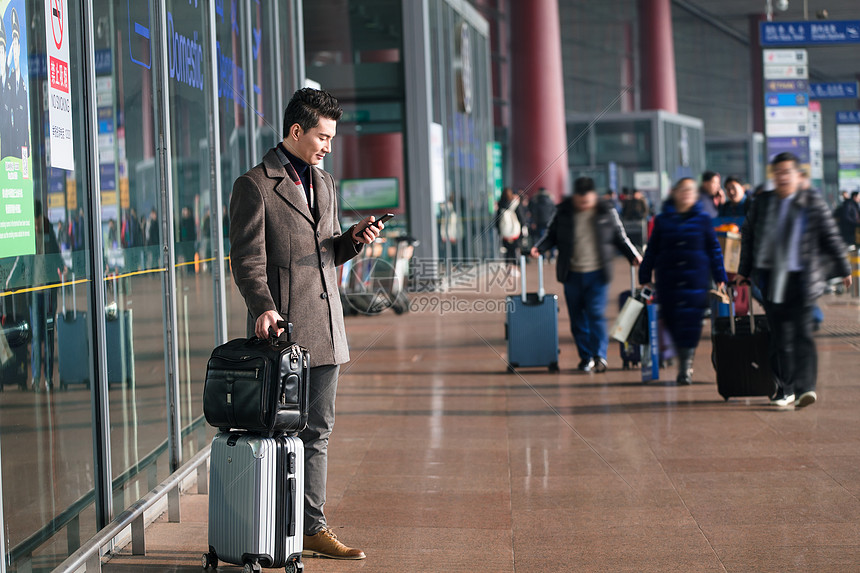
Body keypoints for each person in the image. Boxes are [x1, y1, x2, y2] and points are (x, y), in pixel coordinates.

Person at [230, 87, 379, 560]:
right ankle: (271, 528)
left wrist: (352, 241)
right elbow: (247, 260)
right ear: (296, 131)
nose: (328, 146)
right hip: (284, 333)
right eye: (322, 136)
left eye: (331, 137)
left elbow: (326, 247)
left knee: (319, 431)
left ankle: (312, 527)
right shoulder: (255, 185)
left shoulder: (326, 183)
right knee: (277, 432)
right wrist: (262, 308)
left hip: (327, 328)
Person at [737, 152, 852, 408]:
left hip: (803, 279)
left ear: (798, 176)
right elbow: (748, 236)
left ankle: (805, 388)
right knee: (779, 336)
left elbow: (830, 236)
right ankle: (784, 388)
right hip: (772, 278)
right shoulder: (762, 202)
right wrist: (743, 271)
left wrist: (844, 268)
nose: (782, 177)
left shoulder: (812, 202)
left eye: (787, 172)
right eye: (777, 173)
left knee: (801, 334)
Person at [530, 177, 642, 372]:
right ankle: (585, 357)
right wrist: (539, 248)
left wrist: (632, 255)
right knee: (577, 319)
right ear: (575, 198)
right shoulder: (563, 212)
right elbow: (551, 235)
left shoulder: (606, 211)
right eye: (580, 202)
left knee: (596, 314)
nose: (584, 205)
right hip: (572, 274)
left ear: (593, 196)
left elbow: (620, 237)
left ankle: (600, 356)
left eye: (587, 202)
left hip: (598, 274)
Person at [639, 178, 728, 385]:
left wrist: (720, 277)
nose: (687, 194)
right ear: (674, 193)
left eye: (691, 190)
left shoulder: (703, 219)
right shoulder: (662, 220)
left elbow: (714, 250)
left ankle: (685, 366)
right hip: (668, 279)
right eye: (683, 190)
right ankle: (680, 356)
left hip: (695, 280)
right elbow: (652, 250)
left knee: (690, 324)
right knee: (671, 320)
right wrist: (645, 276)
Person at [495, 187, 526, 276]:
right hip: (515, 231)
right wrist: (523, 226)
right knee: (514, 249)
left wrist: (499, 230)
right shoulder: (515, 204)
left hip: (505, 232)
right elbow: (521, 218)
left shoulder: (500, 205)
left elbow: (497, 220)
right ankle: (514, 268)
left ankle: (508, 268)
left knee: (507, 251)